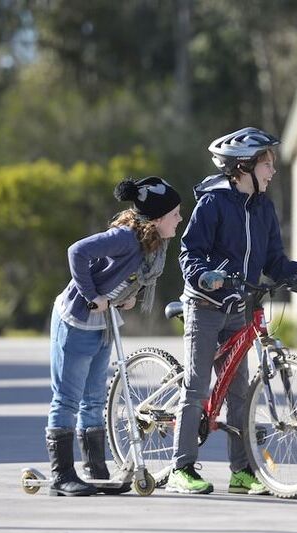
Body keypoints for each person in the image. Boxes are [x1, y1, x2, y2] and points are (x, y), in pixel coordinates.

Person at [168, 126, 297, 495]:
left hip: (240, 307)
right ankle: (182, 468)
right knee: (196, 387)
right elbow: (190, 252)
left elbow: (274, 260)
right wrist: (206, 275)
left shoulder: (263, 208)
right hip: (206, 304)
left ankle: (242, 472)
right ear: (242, 166)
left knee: (240, 392)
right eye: (266, 164)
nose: (272, 172)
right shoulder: (213, 203)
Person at [46, 176, 183, 496]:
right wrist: (92, 295)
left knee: (94, 398)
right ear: (159, 218)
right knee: (67, 398)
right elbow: (76, 251)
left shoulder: (151, 246)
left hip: (103, 324)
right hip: (77, 321)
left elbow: (125, 276)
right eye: (175, 214)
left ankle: (95, 469)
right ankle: (61, 474)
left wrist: (126, 296)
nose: (179, 219)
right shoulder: (125, 238)